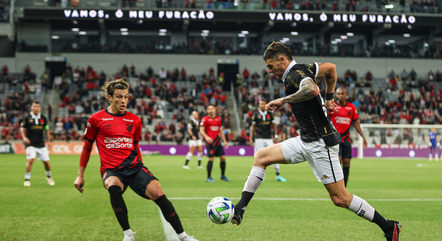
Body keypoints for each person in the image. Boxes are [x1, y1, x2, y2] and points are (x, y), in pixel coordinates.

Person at [231, 42, 401, 241]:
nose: (269, 71)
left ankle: (389, 227)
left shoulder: (295, 74)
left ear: (282, 60)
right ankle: (240, 208)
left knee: (341, 198)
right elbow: (331, 68)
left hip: (321, 143)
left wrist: (283, 100)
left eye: (270, 66)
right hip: (305, 140)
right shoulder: (305, 68)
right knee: (261, 157)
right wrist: (329, 98)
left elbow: (311, 90)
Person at [73, 79, 197, 241]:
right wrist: (80, 175)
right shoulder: (96, 119)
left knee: (158, 193)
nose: (123, 100)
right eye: (119, 96)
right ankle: (128, 235)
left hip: (135, 167)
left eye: (126, 96)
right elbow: (87, 147)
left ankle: (183, 236)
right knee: (113, 186)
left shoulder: (134, 120)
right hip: (112, 169)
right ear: (109, 97)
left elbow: (136, 145)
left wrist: (141, 167)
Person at [329, 87, 367, 186]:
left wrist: (363, 137)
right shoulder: (332, 106)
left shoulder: (352, 107)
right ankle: (337, 186)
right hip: (335, 140)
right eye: (338, 94)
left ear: (346, 95)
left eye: (342, 93)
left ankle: (344, 187)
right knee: (338, 161)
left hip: (346, 140)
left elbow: (356, 124)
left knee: (346, 163)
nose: (340, 95)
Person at [250, 99, 287, 182]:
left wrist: (275, 135)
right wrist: (251, 139)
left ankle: (278, 176)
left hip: (269, 139)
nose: (261, 106)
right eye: (260, 104)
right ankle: (259, 177)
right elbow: (253, 128)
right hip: (259, 138)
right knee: (258, 157)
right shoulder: (256, 115)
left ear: (265, 105)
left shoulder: (270, 115)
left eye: (263, 104)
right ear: (259, 105)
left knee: (275, 156)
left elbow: (273, 126)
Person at [20, 101, 55, 187]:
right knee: (31, 160)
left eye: (37, 106)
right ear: (31, 108)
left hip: (41, 144)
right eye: (34, 106)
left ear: (40, 108)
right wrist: (24, 137)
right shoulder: (27, 118)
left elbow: (47, 129)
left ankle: (49, 176)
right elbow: (21, 128)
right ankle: (27, 179)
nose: (36, 108)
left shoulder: (44, 118)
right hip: (30, 143)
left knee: (46, 163)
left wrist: (49, 139)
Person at [200, 105, 229, 182]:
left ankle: (222, 175)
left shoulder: (218, 119)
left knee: (223, 158)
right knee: (211, 159)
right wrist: (206, 137)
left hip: (218, 143)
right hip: (210, 143)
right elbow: (201, 130)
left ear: (215, 110)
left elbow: (221, 131)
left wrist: (225, 141)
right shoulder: (205, 119)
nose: (211, 110)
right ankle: (208, 177)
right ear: (207, 111)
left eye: (212, 109)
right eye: (209, 109)